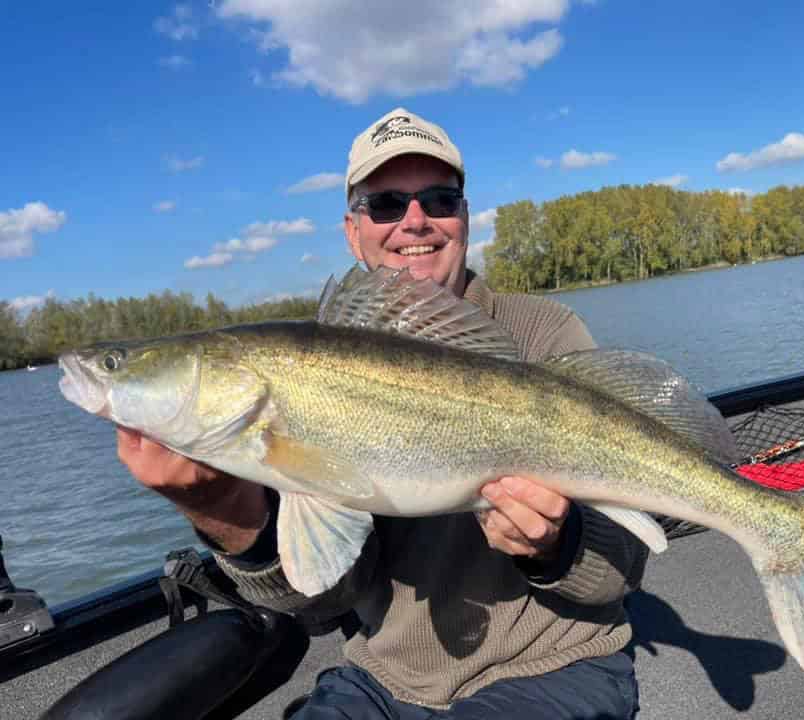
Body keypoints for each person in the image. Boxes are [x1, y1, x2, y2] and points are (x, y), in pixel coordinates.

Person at [117, 108, 647, 719]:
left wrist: (557, 544)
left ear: (465, 218)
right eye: (387, 204)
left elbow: (621, 571)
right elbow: (319, 602)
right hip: (380, 679)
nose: (414, 221)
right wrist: (224, 513)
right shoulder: (296, 380)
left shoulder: (544, 337)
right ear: (352, 231)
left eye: (439, 198)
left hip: (556, 664)